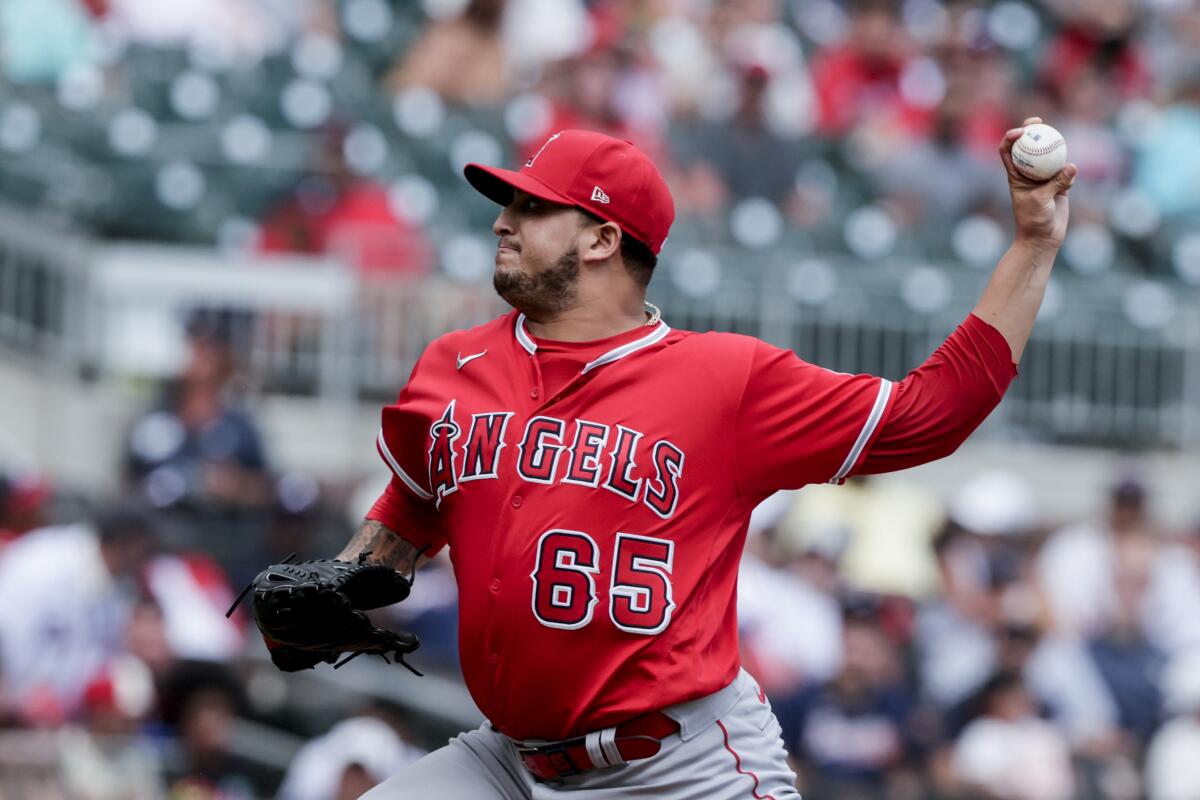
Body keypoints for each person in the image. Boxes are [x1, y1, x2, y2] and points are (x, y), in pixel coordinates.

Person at [277, 121, 1074, 797]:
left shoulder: (725, 381)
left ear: (602, 238)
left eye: (531, 205)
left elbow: (928, 415)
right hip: (510, 762)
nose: (502, 221)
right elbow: (417, 504)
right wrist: (345, 581)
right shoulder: (452, 366)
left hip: (681, 766)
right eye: (507, 204)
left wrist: (1034, 245)